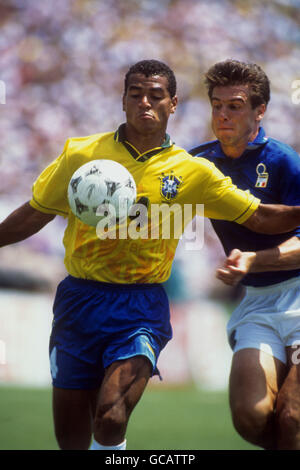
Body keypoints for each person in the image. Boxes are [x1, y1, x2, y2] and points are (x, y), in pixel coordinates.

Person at [1, 60, 300, 452]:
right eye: (136, 94)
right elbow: (35, 212)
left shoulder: (192, 170)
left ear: (173, 103)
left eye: (156, 95)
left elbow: (260, 216)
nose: (145, 102)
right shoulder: (81, 154)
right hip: (78, 300)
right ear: (122, 100)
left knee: (110, 417)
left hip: (140, 305)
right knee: (71, 438)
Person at [189, 59, 300, 450]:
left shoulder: (284, 162)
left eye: (234, 105)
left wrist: (256, 260)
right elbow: (162, 215)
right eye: (216, 105)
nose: (222, 114)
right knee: (251, 418)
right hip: (257, 302)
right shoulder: (197, 164)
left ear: (260, 110)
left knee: (293, 416)